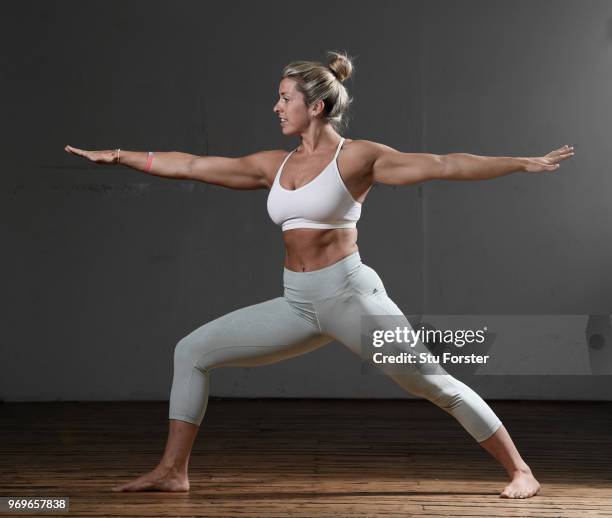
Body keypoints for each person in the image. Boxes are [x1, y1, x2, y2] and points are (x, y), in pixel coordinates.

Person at [64, 50, 574, 499]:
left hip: (352, 299)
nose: (276, 106)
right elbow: (196, 165)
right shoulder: (274, 165)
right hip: (298, 304)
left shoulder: (358, 158)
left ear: (316, 106)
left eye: (285, 98)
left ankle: (521, 470)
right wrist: (121, 156)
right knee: (191, 351)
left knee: (434, 384)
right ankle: (173, 471)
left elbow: (444, 163)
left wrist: (520, 163)